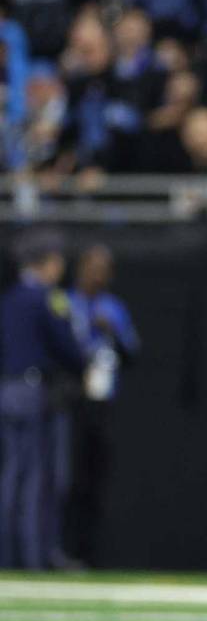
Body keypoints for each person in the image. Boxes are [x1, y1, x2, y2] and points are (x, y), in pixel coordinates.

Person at [0, 231, 85, 569]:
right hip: (33, 390)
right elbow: (68, 347)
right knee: (36, 478)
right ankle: (35, 558)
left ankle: (6, 557)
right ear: (48, 262)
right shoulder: (48, 298)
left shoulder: (7, 298)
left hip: (6, 390)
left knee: (10, 476)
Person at [65, 244, 140, 567]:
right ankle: (60, 549)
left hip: (103, 400)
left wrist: (115, 333)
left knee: (96, 478)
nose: (97, 274)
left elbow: (133, 352)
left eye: (103, 268)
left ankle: (89, 552)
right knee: (65, 477)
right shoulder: (64, 303)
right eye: (92, 266)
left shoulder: (114, 308)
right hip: (69, 402)